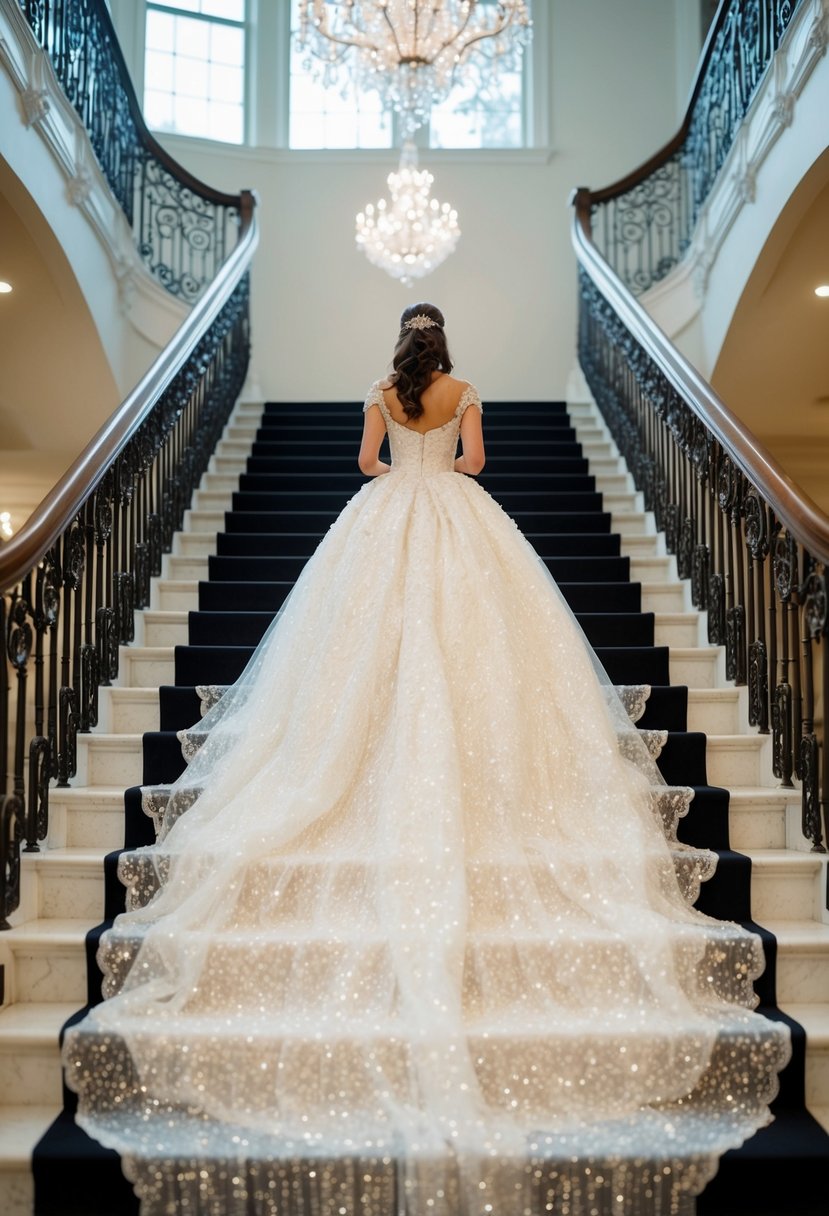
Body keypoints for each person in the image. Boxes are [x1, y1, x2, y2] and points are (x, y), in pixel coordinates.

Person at [64, 303, 790, 1216]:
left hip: (383, 523)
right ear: (443, 349)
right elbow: (477, 465)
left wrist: (399, 464)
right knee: (475, 647)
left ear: (400, 348)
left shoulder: (379, 393)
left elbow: (364, 466)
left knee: (359, 651)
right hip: (455, 518)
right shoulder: (466, 393)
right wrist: (444, 461)